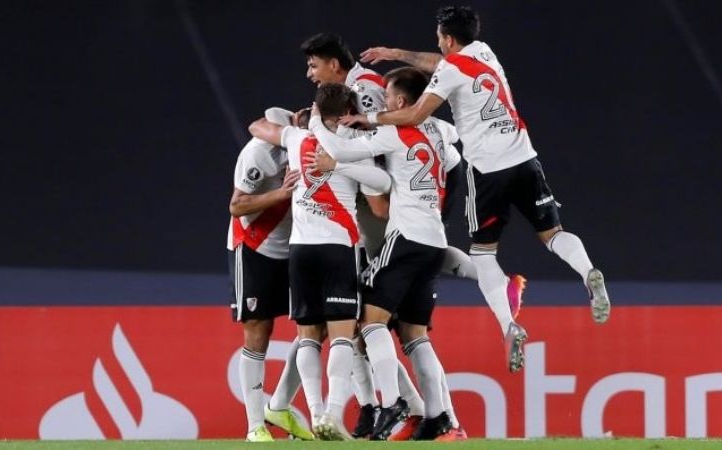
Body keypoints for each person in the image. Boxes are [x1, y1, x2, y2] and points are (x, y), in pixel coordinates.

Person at [343, 6, 611, 373]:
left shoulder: (450, 70)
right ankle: (588, 271)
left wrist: (368, 118)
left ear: (448, 38)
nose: (438, 44)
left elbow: (415, 114)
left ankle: (508, 325)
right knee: (553, 234)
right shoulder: (484, 52)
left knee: (484, 254)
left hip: (488, 169)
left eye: (440, 37)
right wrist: (397, 54)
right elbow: (439, 63)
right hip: (525, 157)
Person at [307, 67, 462, 440]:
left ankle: (391, 403)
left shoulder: (393, 134)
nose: (383, 102)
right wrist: (371, 121)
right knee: (415, 334)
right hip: (434, 239)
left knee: (370, 322)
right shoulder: (441, 131)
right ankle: (438, 417)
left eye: (388, 96)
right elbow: (455, 148)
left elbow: (339, 150)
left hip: (405, 237)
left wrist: (316, 122)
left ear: (402, 102)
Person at [249, 83, 392, 441]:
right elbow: (380, 191)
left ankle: (314, 412)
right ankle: (332, 413)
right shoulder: (355, 146)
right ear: (347, 112)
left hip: (301, 250)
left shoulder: (296, 139)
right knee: (343, 335)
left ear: (316, 108)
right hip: (338, 247)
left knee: (308, 336)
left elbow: (257, 127)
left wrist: (307, 122)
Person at [227, 108, 314, 442]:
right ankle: (254, 427)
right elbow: (237, 205)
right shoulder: (259, 153)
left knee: (315, 326)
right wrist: (281, 193)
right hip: (256, 247)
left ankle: (278, 405)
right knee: (258, 331)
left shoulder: (314, 145)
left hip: (295, 246)